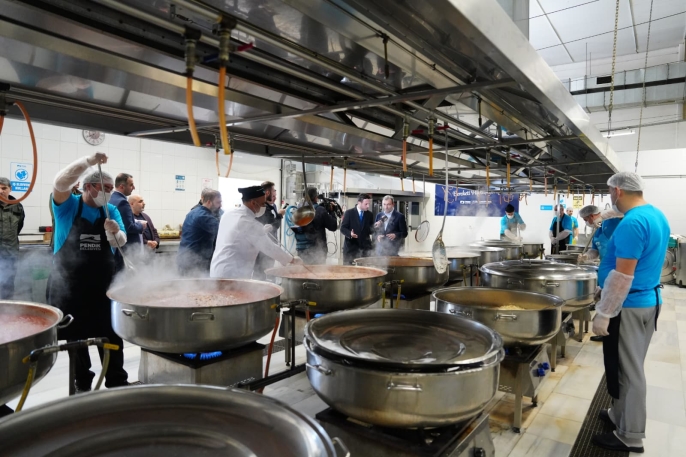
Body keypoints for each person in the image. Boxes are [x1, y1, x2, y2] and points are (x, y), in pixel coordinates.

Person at [591, 172, 669, 454]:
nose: (610, 197)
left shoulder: (632, 223)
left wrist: (604, 311)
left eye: (610, 191)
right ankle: (618, 415)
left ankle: (631, 436)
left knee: (629, 371)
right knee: (624, 365)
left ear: (619, 191)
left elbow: (623, 275)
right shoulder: (656, 215)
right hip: (647, 300)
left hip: (630, 306)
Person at [47, 152, 129, 392]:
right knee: (76, 338)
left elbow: (120, 243)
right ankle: (82, 383)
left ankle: (117, 382)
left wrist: (114, 232)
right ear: (88, 186)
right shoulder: (68, 206)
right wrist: (89, 161)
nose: (109, 193)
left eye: (111, 189)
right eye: (105, 188)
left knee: (111, 334)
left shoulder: (111, 210)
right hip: (70, 287)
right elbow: (60, 183)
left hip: (103, 286)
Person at [211, 186, 300, 279]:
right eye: (262, 203)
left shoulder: (229, 213)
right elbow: (269, 248)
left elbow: (238, 236)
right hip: (232, 273)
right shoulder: (248, 223)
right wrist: (292, 259)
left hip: (218, 269)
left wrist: (261, 231)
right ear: (253, 203)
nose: (264, 206)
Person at [578, 204, 624, 342]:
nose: (586, 222)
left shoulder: (613, 222)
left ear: (592, 216)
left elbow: (622, 211)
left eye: (586, 219)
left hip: (617, 273)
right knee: (606, 303)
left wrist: (603, 216)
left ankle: (613, 336)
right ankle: (606, 333)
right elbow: (595, 250)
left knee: (615, 307)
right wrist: (586, 256)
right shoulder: (598, 230)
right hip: (605, 274)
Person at [177, 190, 222, 275]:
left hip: (185, 258)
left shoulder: (193, 212)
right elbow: (223, 233)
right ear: (209, 202)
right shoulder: (205, 217)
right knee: (197, 283)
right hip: (195, 262)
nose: (220, 205)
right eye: (218, 202)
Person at [292, 188, 338, 264]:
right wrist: (331, 211)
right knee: (317, 271)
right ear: (316, 197)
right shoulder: (320, 210)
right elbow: (333, 226)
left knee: (303, 270)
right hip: (318, 251)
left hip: (301, 250)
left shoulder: (299, 210)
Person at [110, 173, 145, 267]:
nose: (134, 187)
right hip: (126, 251)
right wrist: (141, 226)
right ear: (122, 186)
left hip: (115, 249)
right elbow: (128, 227)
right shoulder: (122, 202)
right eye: (131, 185)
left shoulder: (111, 199)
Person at [253, 181, 286, 279]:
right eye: (273, 193)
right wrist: (280, 215)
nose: (275, 197)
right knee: (261, 273)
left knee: (269, 270)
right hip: (262, 248)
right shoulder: (263, 208)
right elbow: (273, 226)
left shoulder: (272, 206)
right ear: (267, 193)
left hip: (270, 245)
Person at [0, 177, 25, 299]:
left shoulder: (18, 207)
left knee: (8, 286)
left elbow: (18, 228)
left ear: (10, 189)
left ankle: (7, 310)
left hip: (10, 254)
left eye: (4, 188)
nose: (1, 191)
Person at [340, 193, 374, 263]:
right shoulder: (349, 213)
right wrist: (350, 234)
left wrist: (375, 227)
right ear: (359, 203)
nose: (368, 206)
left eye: (369, 204)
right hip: (351, 249)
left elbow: (370, 231)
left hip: (365, 250)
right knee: (350, 269)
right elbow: (343, 228)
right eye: (366, 204)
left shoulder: (369, 215)